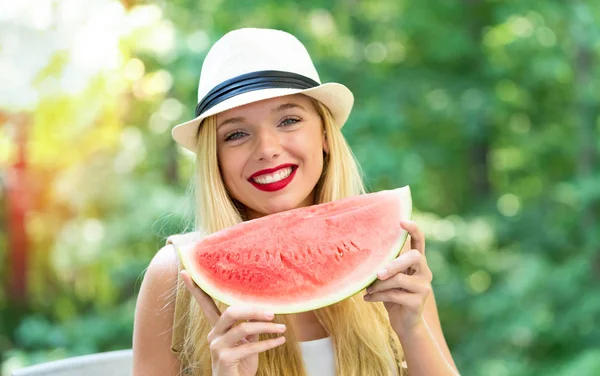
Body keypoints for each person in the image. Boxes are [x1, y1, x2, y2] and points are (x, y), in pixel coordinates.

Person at [132, 28, 460, 376]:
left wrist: (413, 330)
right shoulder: (174, 276)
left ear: (324, 135)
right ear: (215, 159)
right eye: (236, 134)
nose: (268, 149)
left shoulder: (392, 251)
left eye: (289, 120)